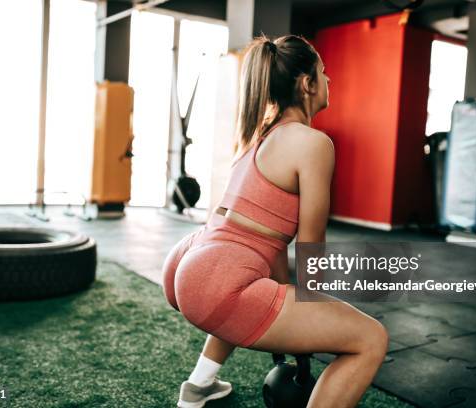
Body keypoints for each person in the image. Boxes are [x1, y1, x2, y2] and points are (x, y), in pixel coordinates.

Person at [162, 34, 388, 408]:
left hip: (193, 260)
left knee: (247, 287)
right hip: (217, 276)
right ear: (306, 84)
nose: (329, 80)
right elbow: (312, 243)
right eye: (324, 72)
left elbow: (270, 252)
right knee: (371, 338)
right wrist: (312, 327)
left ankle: (199, 385)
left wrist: (297, 321)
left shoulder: (258, 134)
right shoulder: (313, 143)